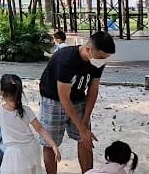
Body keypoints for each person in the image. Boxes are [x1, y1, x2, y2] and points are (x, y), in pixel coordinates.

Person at [38, 31, 115, 174]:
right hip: (54, 99)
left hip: (79, 98)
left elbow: (93, 90)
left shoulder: (98, 61)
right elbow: (64, 98)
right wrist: (81, 128)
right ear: (88, 49)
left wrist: (85, 121)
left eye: (106, 58)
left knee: (85, 139)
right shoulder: (66, 59)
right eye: (101, 57)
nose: (103, 61)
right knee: (50, 143)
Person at [0, 74, 60, 174]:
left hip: (14, 153)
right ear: (19, 93)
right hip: (31, 149)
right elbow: (40, 129)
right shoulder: (26, 110)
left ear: (1, 93)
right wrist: (53, 145)